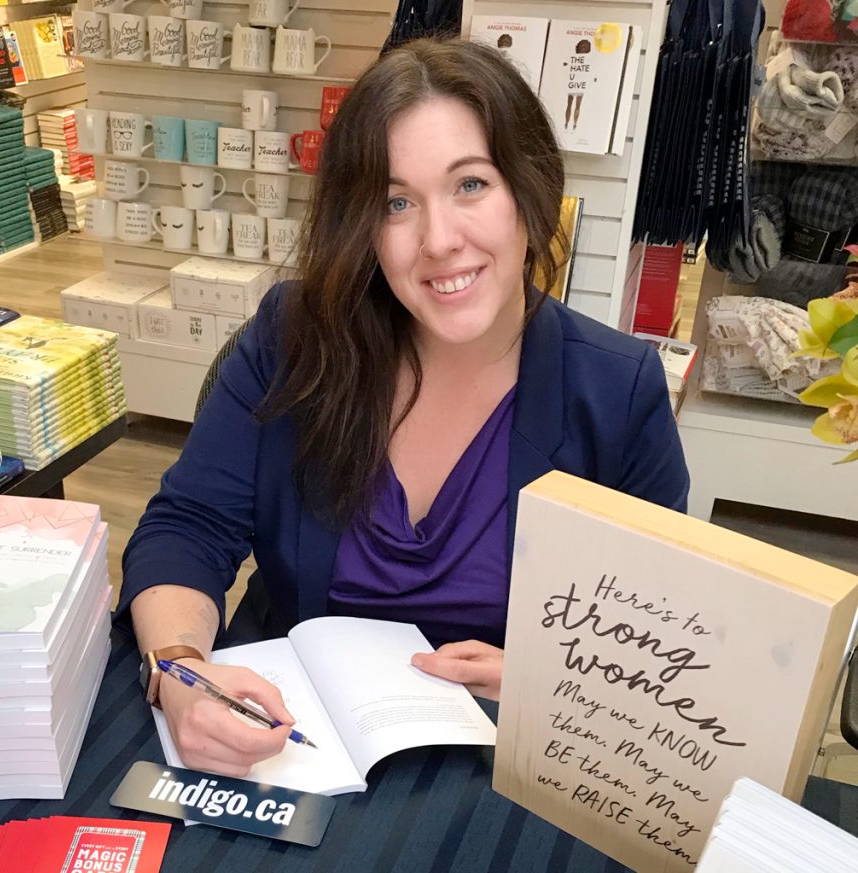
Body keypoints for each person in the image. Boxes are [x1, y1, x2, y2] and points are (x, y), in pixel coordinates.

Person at [116, 37, 690, 777]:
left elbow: (658, 647)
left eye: (471, 185)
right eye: (396, 203)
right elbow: (187, 525)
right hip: (288, 743)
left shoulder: (617, 391)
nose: (439, 241)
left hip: (497, 767)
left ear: (532, 190)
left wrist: (560, 687)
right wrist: (180, 673)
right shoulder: (295, 339)